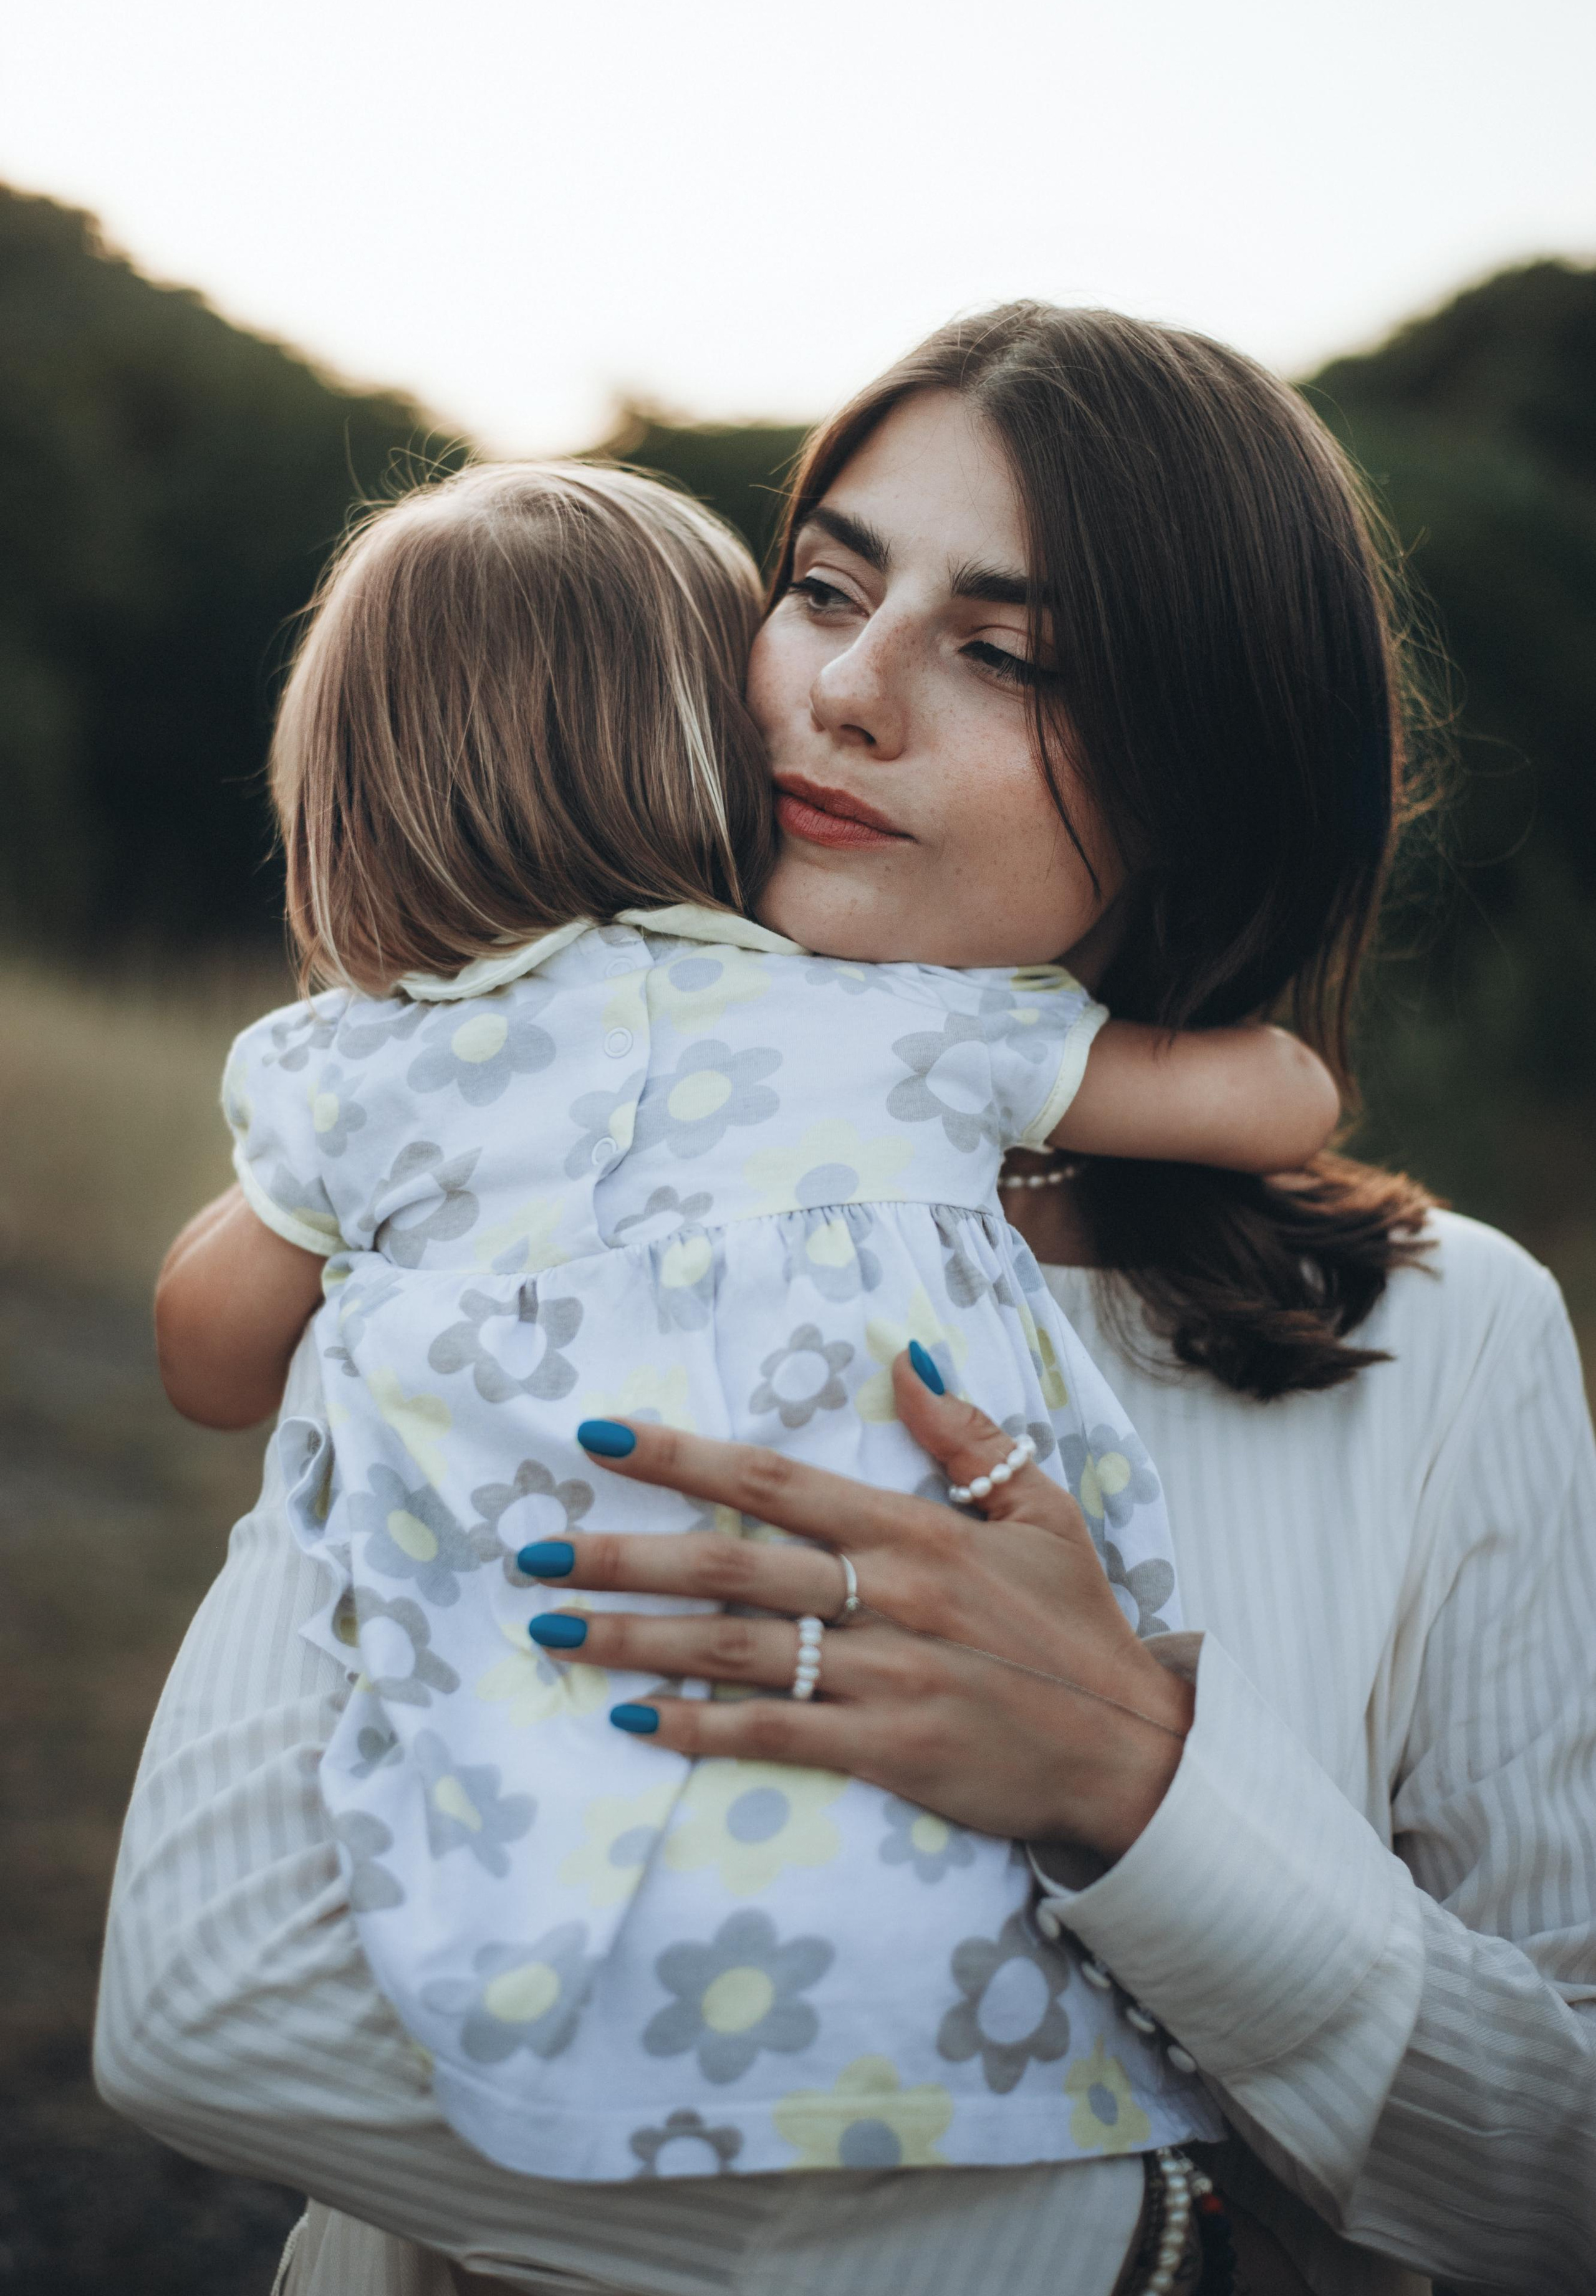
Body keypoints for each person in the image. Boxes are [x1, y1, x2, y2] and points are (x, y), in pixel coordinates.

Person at [95, 307, 1596, 2296]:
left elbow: (1565, 2164)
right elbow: (211, 2008)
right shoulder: (494, 1228)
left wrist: (1140, 1786)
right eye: (822, 586)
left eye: (1011, 656)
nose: (846, 689)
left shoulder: (1455, 1343)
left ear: (1215, 775)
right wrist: (1111, 2244)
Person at [151, 451, 1332, 2201]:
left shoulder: (349, 1078)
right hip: (944, 1963)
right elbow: (1281, 1099)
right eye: (822, 599)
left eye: (1008, 656)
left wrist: (305, 1186)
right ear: (718, 736)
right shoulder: (906, 1027)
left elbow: (203, 1358)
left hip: (529, 1880)